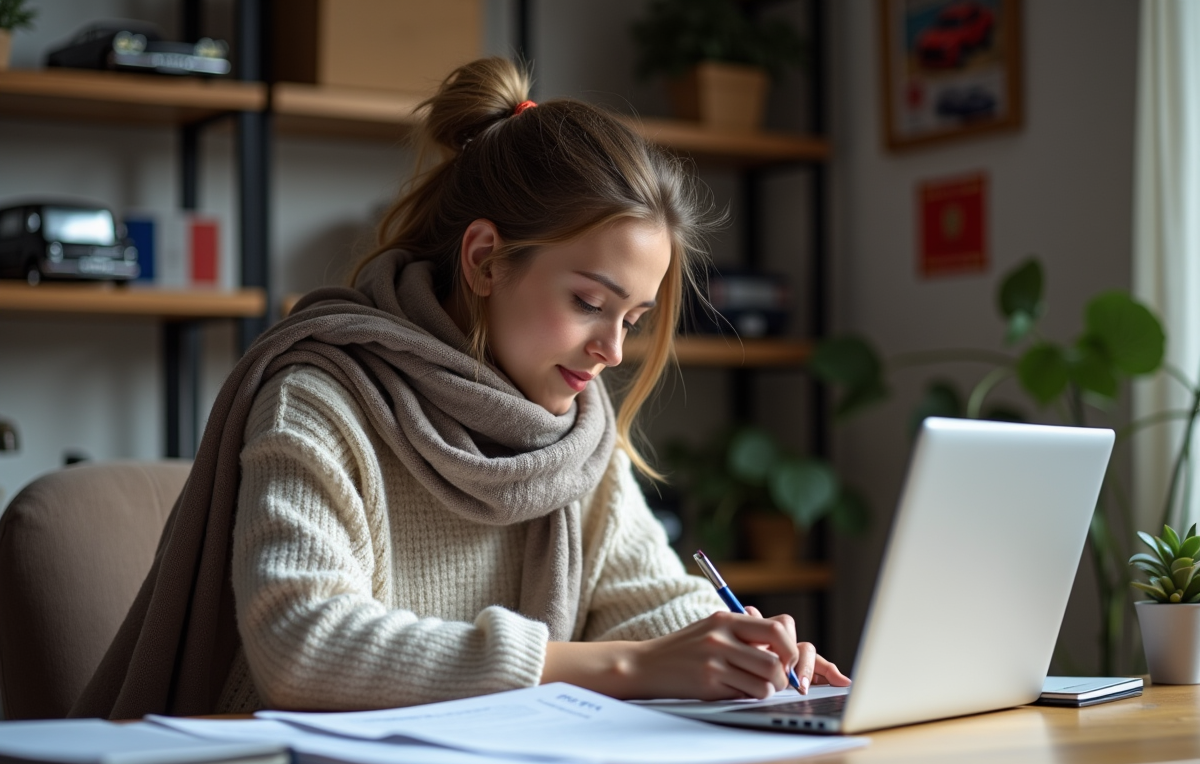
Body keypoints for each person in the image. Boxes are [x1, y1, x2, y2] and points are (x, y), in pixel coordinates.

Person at [74, 58, 849, 719]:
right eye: (589, 302)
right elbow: (303, 646)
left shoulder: (573, 429)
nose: (612, 350)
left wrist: (741, 648)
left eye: (634, 318)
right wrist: (623, 668)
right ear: (483, 259)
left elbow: (646, 598)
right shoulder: (320, 395)